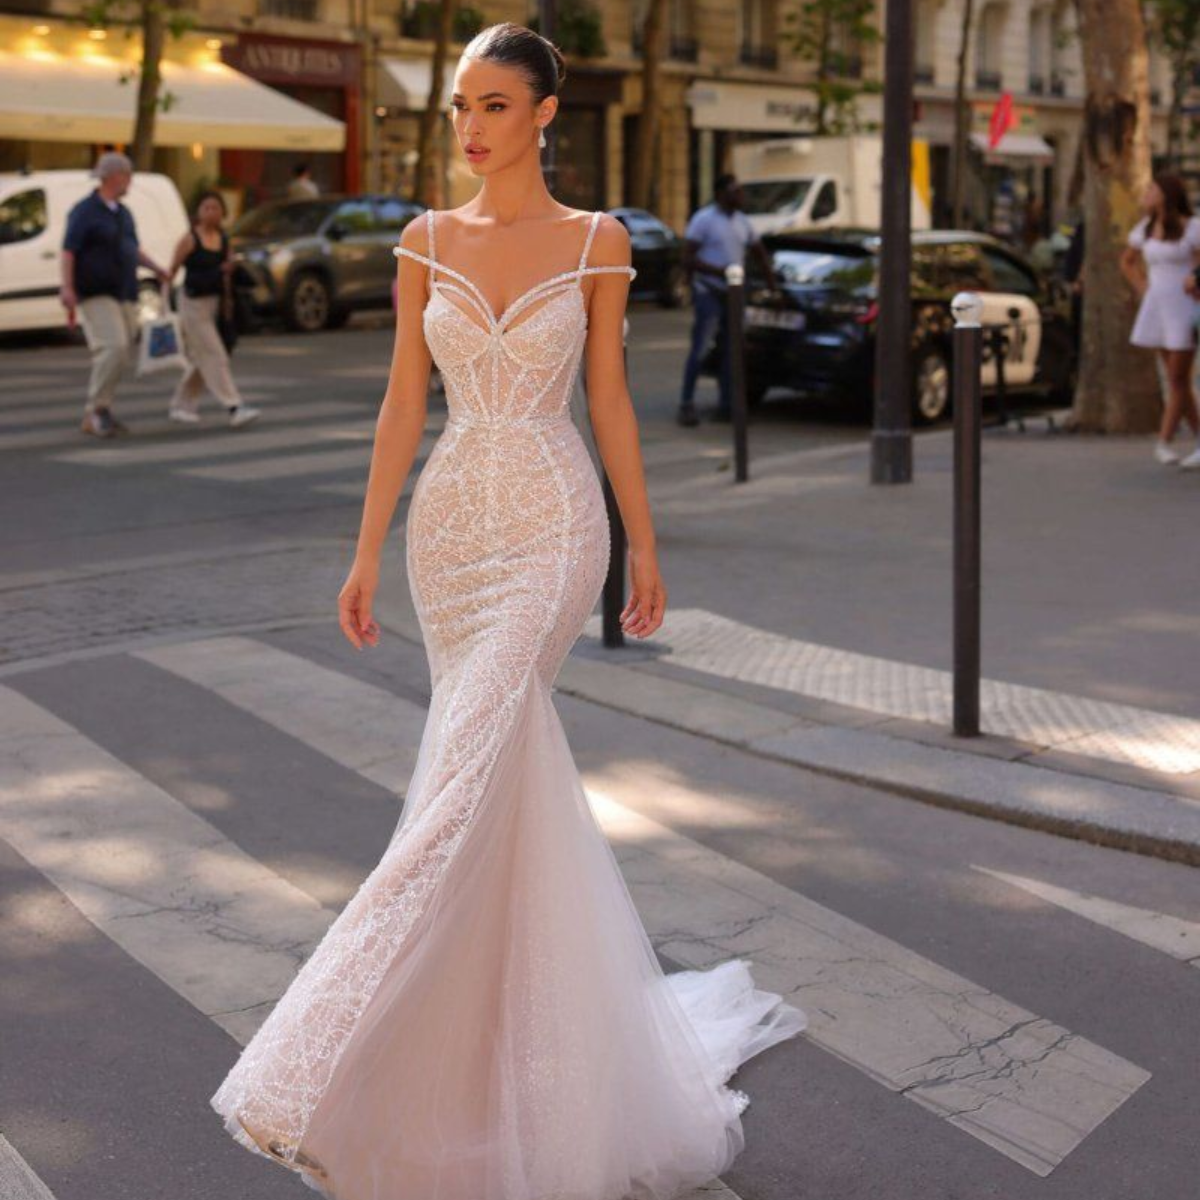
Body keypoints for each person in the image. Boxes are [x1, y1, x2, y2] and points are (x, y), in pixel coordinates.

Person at [209, 22, 806, 1200]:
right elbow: (398, 407)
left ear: (543, 114)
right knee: (477, 792)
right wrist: (366, 552)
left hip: (549, 526)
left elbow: (612, 407)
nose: (470, 129)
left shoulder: (597, 242)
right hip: (449, 535)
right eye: (459, 110)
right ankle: (493, 1071)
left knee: (457, 789)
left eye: (492, 106)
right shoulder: (423, 238)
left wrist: (642, 537)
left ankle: (313, 1067)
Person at [60, 152, 171, 438]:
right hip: (95, 290)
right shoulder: (85, 210)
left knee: (120, 353)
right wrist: (67, 286)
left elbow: (133, 249)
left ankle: (102, 408)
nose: (130, 181)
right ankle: (95, 410)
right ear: (113, 176)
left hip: (124, 290)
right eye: (128, 175)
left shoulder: (123, 213)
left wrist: (157, 268)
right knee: (114, 346)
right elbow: (69, 249)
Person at [678, 173, 779, 426]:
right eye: (736, 191)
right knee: (701, 348)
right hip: (710, 292)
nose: (740, 196)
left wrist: (773, 287)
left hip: (734, 294)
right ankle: (686, 404)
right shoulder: (704, 219)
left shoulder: (743, 222)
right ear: (721, 193)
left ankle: (727, 406)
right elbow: (688, 257)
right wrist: (714, 274)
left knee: (732, 351)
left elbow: (760, 255)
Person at [1120, 172, 1200, 467]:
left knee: (1179, 378)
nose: (1147, 192)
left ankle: (1164, 441)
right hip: (1158, 305)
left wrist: (1194, 280)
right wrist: (1142, 288)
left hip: (1185, 306)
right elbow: (1127, 261)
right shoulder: (1146, 227)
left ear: (1166, 194)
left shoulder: (1192, 228)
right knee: (1177, 380)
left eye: (1152, 188)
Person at [165, 191, 260, 428]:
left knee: (204, 357)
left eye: (215, 208)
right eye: (206, 207)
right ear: (198, 212)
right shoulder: (189, 239)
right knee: (215, 355)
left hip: (215, 304)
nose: (211, 212)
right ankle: (234, 406)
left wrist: (229, 304)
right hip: (192, 304)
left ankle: (181, 405)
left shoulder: (223, 239)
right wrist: (164, 305)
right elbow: (171, 271)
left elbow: (228, 275)